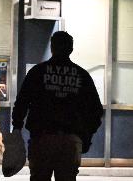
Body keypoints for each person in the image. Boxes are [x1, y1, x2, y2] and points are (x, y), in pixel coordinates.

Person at [11, 31, 103, 181]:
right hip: (70, 140)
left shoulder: (38, 72)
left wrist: (17, 128)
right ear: (71, 49)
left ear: (52, 47)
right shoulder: (82, 75)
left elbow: (22, 102)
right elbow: (96, 111)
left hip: (41, 139)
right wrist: (86, 137)